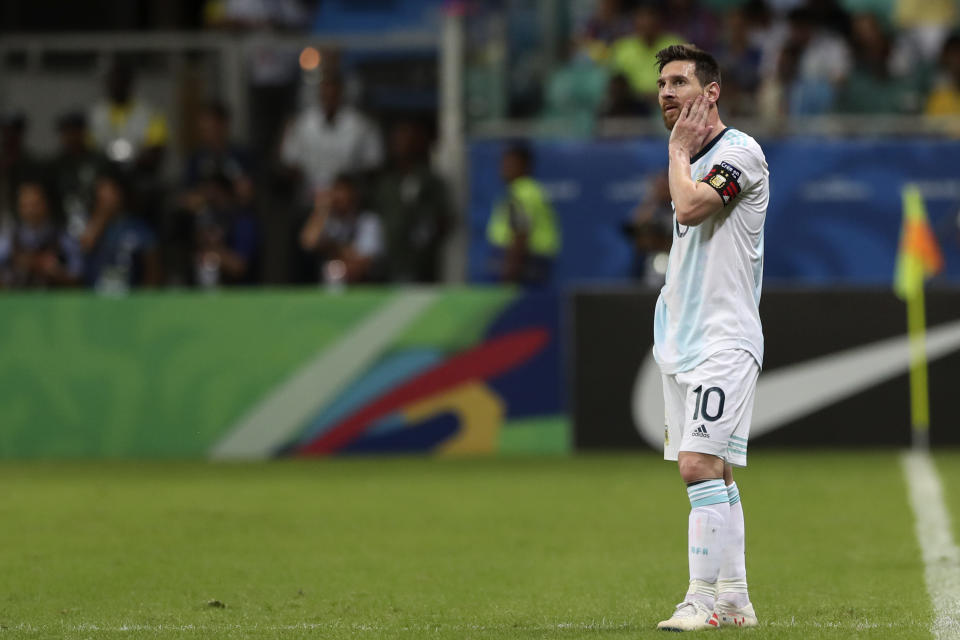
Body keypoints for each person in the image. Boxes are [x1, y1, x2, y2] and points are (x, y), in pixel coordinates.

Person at [651, 44, 768, 631]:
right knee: (717, 470)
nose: (667, 92)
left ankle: (700, 600)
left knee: (697, 465)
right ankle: (736, 598)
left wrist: (675, 152)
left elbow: (694, 208)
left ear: (712, 91)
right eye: (662, 84)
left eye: (679, 82)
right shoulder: (686, 159)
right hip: (682, 338)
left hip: (725, 338)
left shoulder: (740, 153)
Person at [372, 120, 452, 283]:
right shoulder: (386, 182)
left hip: (419, 265)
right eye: (398, 139)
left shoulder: (429, 180)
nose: (402, 144)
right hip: (386, 263)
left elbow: (443, 220)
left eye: (408, 138)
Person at [485, 144, 560, 287]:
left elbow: (520, 232)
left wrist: (510, 271)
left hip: (524, 262)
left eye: (510, 164)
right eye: (503, 163)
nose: (504, 168)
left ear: (525, 166)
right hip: (532, 260)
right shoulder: (532, 190)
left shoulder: (520, 194)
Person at [299, 173, 383, 286]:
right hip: (328, 284)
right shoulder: (327, 220)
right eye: (335, 191)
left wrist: (332, 248)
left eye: (343, 191)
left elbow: (364, 261)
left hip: (361, 285)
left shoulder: (368, 221)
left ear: (354, 195)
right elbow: (308, 242)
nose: (338, 197)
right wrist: (321, 210)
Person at [0, 180, 82, 289]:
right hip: (17, 302)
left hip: (53, 301)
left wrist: (58, 273)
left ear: (45, 204)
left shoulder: (62, 236)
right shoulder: (10, 238)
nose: (30, 210)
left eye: (34, 204)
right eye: (25, 205)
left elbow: (78, 276)